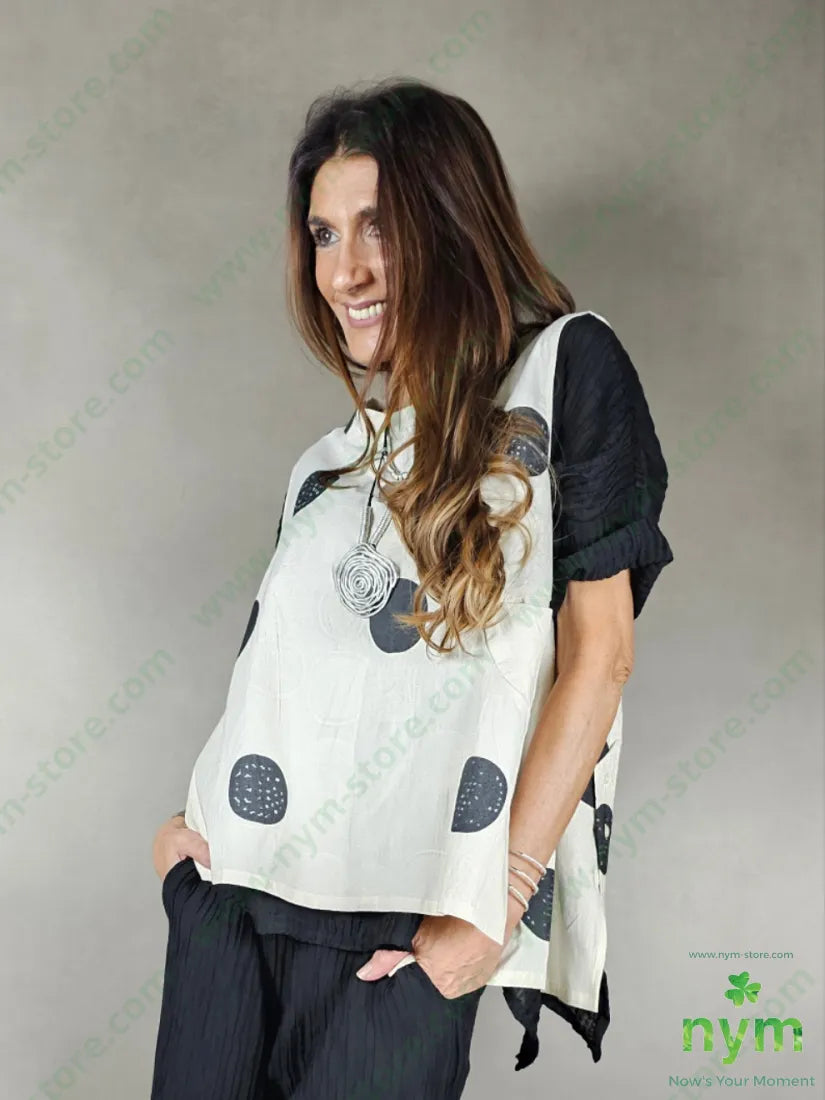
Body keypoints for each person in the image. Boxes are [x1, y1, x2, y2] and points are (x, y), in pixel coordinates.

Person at [149, 77, 674, 1099]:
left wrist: (492, 906)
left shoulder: (566, 373)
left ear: (449, 221)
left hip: (407, 932)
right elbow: (293, 686)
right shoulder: (331, 464)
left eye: (377, 227)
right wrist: (182, 862)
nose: (343, 270)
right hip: (233, 905)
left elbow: (600, 657)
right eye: (323, 233)